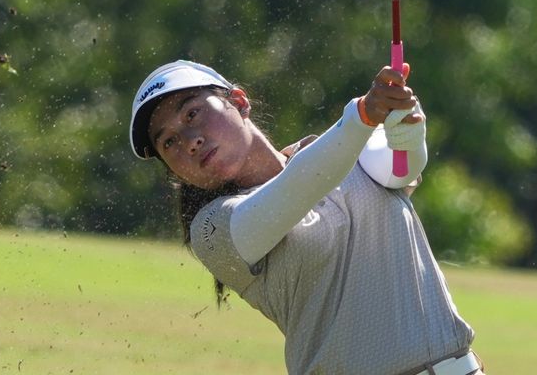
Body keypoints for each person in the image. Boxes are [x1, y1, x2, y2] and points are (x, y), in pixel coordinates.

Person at [128, 60, 484, 375]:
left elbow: (402, 165)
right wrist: (361, 116)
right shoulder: (212, 231)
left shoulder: (345, 149)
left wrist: (408, 123)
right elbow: (296, 188)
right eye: (169, 142)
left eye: (192, 114)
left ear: (239, 101)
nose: (190, 141)